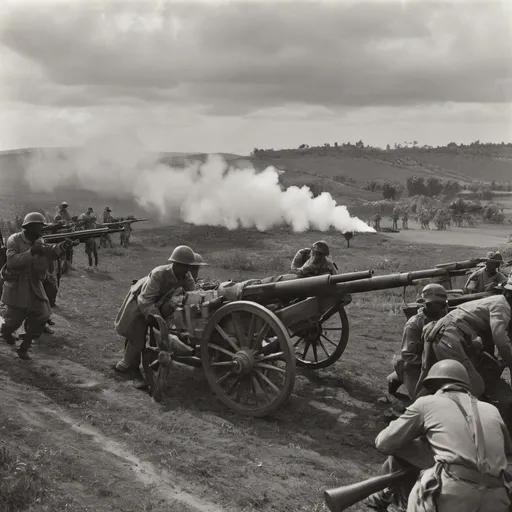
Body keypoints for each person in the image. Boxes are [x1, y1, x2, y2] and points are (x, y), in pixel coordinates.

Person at [366, 360, 512, 512]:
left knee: (401, 449)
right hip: (498, 497)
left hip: (450, 493)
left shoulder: (427, 403)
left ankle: (379, 504)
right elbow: (507, 451)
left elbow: (384, 443)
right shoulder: (491, 410)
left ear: (432, 386)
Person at [419, 282, 512, 435]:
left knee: (460, 381)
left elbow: (493, 340)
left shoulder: (497, 301)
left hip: (456, 336)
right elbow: (500, 340)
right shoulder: (501, 307)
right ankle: (441, 426)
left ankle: (420, 414)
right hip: (450, 336)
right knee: (473, 387)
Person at [113, 245, 200, 383]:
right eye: (184, 266)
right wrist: (155, 317)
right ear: (175, 264)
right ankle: (127, 367)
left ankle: (153, 366)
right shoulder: (159, 274)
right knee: (137, 335)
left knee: (159, 335)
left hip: (158, 301)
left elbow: (192, 295)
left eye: (189, 266)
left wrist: (195, 310)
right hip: (140, 299)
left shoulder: (186, 276)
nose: (187, 269)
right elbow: (145, 299)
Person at [0, 212, 75, 359]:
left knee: (43, 315)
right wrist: (31, 251)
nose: (42, 230)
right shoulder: (14, 240)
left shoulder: (39, 239)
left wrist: (63, 246)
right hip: (17, 285)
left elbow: (49, 252)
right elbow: (12, 262)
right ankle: (5, 334)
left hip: (34, 285)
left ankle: (24, 347)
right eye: (39, 227)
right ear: (29, 227)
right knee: (12, 322)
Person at [387, 284, 448, 398]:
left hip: (438, 358)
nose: (439, 307)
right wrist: (431, 362)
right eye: (435, 303)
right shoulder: (414, 325)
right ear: (426, 304)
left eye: (441, 304)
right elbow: (408, 355)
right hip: (415, 363)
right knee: (420, 398)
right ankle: (396, 377)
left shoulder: (446, 315)